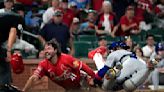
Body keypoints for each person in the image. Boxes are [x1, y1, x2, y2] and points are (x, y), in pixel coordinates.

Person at [22, 39, 95, 92]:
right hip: (71, 89)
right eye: (45, 50)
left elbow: (83, 67)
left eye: (49, 49)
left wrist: (94, 78)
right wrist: (24, 91)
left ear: (55, 50)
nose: (46, 51)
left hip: (84, 83)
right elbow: (33, 78)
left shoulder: (67, 58)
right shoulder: (43, 65)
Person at [0, 13, 24, 91]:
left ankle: (5, 85)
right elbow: (13, 31)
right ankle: (4, 86)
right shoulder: (18, 18)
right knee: (4, 62)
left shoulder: (6, 17)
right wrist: (9, 50)